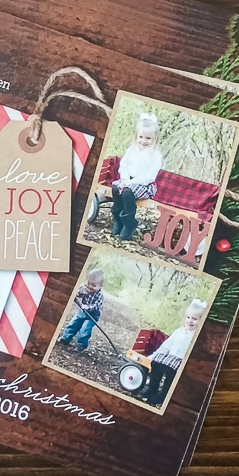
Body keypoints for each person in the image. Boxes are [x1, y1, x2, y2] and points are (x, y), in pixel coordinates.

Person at [135, 298, 206, 407]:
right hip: (170, 357)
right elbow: (166, 346)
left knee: (171, 373)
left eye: (195, 319)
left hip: (181, 361)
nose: (190, 321)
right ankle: (152, 388)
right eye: (188, 317)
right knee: (156, 363)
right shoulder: (179, 331)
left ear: (201, 321)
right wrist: (154, 355)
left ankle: (164, 393)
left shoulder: (196, 337)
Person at [111, 112, 164, 241]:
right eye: (141, 137)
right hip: (128, 180)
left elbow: (149, 177)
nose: (143, 141)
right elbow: (124, 166)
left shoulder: (155, 155)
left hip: (145, 185)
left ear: (155, 139)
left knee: (127, 192)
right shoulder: (132, 150)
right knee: (115, 188)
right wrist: (124, 179)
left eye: (148, 138)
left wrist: (128, 184)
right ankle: (118, 220)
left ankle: (129, 223)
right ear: (136, 136)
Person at [57, 268, 105, 352]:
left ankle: (81, 345)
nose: (90, 286)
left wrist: (88, 307)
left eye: (94, 286)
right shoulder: (84, 288)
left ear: (100, 286)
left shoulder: (100, 295)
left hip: (92, 315)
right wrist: (80, 292)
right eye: (89, 283)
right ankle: (65, 338)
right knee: (73, 324)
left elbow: (97, 306)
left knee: (85, 329)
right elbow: (75, 294)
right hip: (82, 311)